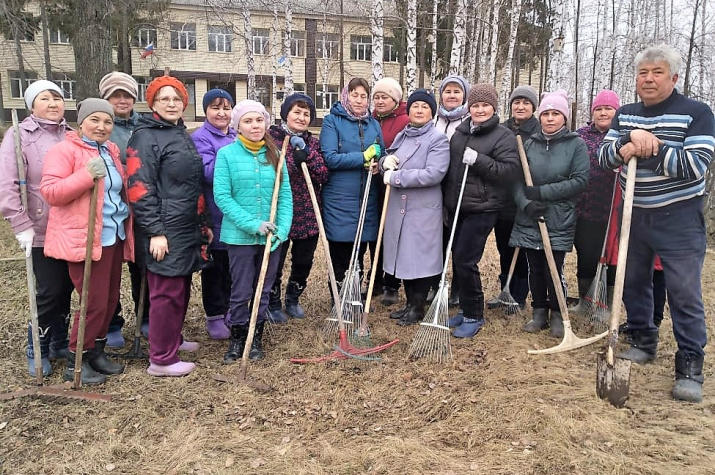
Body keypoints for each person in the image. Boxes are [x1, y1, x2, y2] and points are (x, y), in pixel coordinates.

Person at [599, 44, 715, 403]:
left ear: (674, 77)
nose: (648, 79)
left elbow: (696, 166)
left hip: (678, 217)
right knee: (633, 282)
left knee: (683, 292)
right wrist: (628, 139)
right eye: (642, 73)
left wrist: (654, 147)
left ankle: (690, 363)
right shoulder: (626, 114)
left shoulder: (696, 113)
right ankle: (643, 339)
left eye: (657, 73)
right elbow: (604, 157)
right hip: (634, 212)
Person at [41, 98, 133, 385]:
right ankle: (75, 359)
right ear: (81, 123)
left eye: (107, 122)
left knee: (108, 299)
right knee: (92, 301)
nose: (102, 126)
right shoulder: (64, 151)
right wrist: (84, 175)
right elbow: (51, 192)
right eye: (95, 120)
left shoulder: (111, 152)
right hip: (85, 238)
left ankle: (96, 352)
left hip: (113, 235)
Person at [126, 76, 212, 378]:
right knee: (166, 292)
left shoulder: (179, 133)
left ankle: (172, 340)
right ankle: (161, 359)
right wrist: (155, 232)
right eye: (164, 99)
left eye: (176, 98)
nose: (171, 103)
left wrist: (203, 223)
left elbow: (191, 184)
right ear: (152, 104)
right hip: (164, 227)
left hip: (185, 224)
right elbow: (138, 186)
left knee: (181, 288)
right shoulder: (146, 136)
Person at [0, 80, 74, 377]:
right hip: (40, 227)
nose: (54, 103)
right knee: (49, 290)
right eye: (46, 98)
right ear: (32, 105)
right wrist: (20, 223)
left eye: (58, 97)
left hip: (70, 227)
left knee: (68, 286)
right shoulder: (18, 136)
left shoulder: (71, 135)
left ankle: (59, 340)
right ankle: (38, 345)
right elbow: (7, 183)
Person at [214, 100, 292, 363]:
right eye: (248, 121)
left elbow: (284, 197)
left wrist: (281, 230)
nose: (255, 125)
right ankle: (237, 337)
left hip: (272, 239)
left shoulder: (276, 156)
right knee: (242, 288)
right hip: (240, 237)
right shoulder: (226, 155)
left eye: (259, 120)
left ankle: (255, 336)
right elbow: (222, 197)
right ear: (238, 126)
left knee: (264, 287)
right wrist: (253, 224)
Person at [442, 83, 520, 338]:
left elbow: (509, 172)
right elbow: (451, 172)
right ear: (469, 108)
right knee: (458, 258)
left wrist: (479, 160)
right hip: (458, 206)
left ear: (494, 107)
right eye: (475, 105)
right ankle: (465, 310)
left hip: (483, 208)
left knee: (466, 259)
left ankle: (475, 314)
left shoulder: (503, 136)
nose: (480, 109)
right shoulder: (460, 132)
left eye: (485, 105)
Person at [511, 89, 589, 339]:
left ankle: (558, 312)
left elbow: (579, 181)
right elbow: (515, 181)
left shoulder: (576, 145)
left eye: (556, 114)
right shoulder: (529, 144)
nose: (550, 118)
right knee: (533, 266)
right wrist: (526, 203)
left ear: (564, 118)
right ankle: (539, 312)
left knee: (552, 266)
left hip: (558, 216)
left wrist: (542, 193)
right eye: (546, 113)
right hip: (530, 215)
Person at [379, 89, 449, 325]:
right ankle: (409, 304)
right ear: (408, 111)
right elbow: (390, 161)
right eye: (415, 106)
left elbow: (434, 173)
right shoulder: (403, 136)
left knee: (419, 258)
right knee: (403, 256)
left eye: (425, 107)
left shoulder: (437, 139)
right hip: (399, 207)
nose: (419, 111)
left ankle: (418, 307)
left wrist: (396, 177)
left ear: (432, 113)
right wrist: (382, 163)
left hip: (422, 210)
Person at [320, 77, 385, 293]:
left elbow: (380, 152)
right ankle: (338, 299)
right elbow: (330, 157)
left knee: (360, 252)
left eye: (364, 96)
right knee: (341, 251)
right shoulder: (332, 121)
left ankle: (355, 297)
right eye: (354, 94)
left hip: (367, 197)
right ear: (345, 95)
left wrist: (378, 165)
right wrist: (362, 158)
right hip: (340, 199)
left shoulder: (373, 124)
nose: (359, 100)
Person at [267, 93, 328, 321]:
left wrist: (308, 155)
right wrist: (293, 159)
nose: (301, 117)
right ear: (286, 114)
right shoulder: (271, 138)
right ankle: (272, 301)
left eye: (306, 114)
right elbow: (272, 171)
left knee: (304, 260)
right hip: (279, 209)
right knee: (276, 259)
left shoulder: (312, 142)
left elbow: (323, 173)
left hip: (307, 210)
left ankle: (293, 298)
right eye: (297, 112)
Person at [98, 72, 148, 348]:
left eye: (127, 94)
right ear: (106, 98)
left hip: (143, 207)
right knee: (111, 268)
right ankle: (113, 322)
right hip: (112, 209)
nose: (122, 100)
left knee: (142, 266)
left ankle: (145, 317)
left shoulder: (144, 125)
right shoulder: (102, 127)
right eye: (115, 95)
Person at [569, 89, 621, 314]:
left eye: (608, 109)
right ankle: (585, 300)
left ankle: (606, 304)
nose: (602, 113)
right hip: (584, 208)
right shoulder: (580, 135)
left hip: (612, 209)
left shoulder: (623, 135)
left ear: (616, 111)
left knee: (611, 256)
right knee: (586, 253)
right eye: (598, 109)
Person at [192, 88, 236, 339]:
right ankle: (215, 316)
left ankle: (230, 309)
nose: (221, 112)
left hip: (234, 214)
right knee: (214, 269)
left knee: (232, 267)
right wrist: (233, 160)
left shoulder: (234, 136)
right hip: (213, 214)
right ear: (206, 111)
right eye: (215, 107)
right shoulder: (200, 138)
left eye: (226, 107)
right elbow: (207, 172)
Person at [491, 85, 540, 310]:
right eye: (516, 103)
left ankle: (519, 296)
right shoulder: (502, 129)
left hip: (526, 199)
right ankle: (505, 290)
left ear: (533, 107)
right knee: (505, 247)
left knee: (522, 249)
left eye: (526, 103)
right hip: (503, 200)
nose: (520, 107)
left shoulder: (538, 131)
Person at [432, 74, 471, 308]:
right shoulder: (433, 119)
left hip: (459, 188)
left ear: (464, 96)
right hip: (434, 188)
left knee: (457, 242)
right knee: (437, 241)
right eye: (448, 91)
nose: (452, 95)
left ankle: (457, 289)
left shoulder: (468, 120)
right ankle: (436, 285)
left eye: (457, 91)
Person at [372, 77, 410, 306]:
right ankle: (375, 279)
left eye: (384, 96)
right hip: (374, 181)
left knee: (392, 234)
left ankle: (392, 284)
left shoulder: (404, 120)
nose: (379, 100)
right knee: (376, 233)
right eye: (376, 96)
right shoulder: (371, 119)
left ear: (395, 100)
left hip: (394, 182)